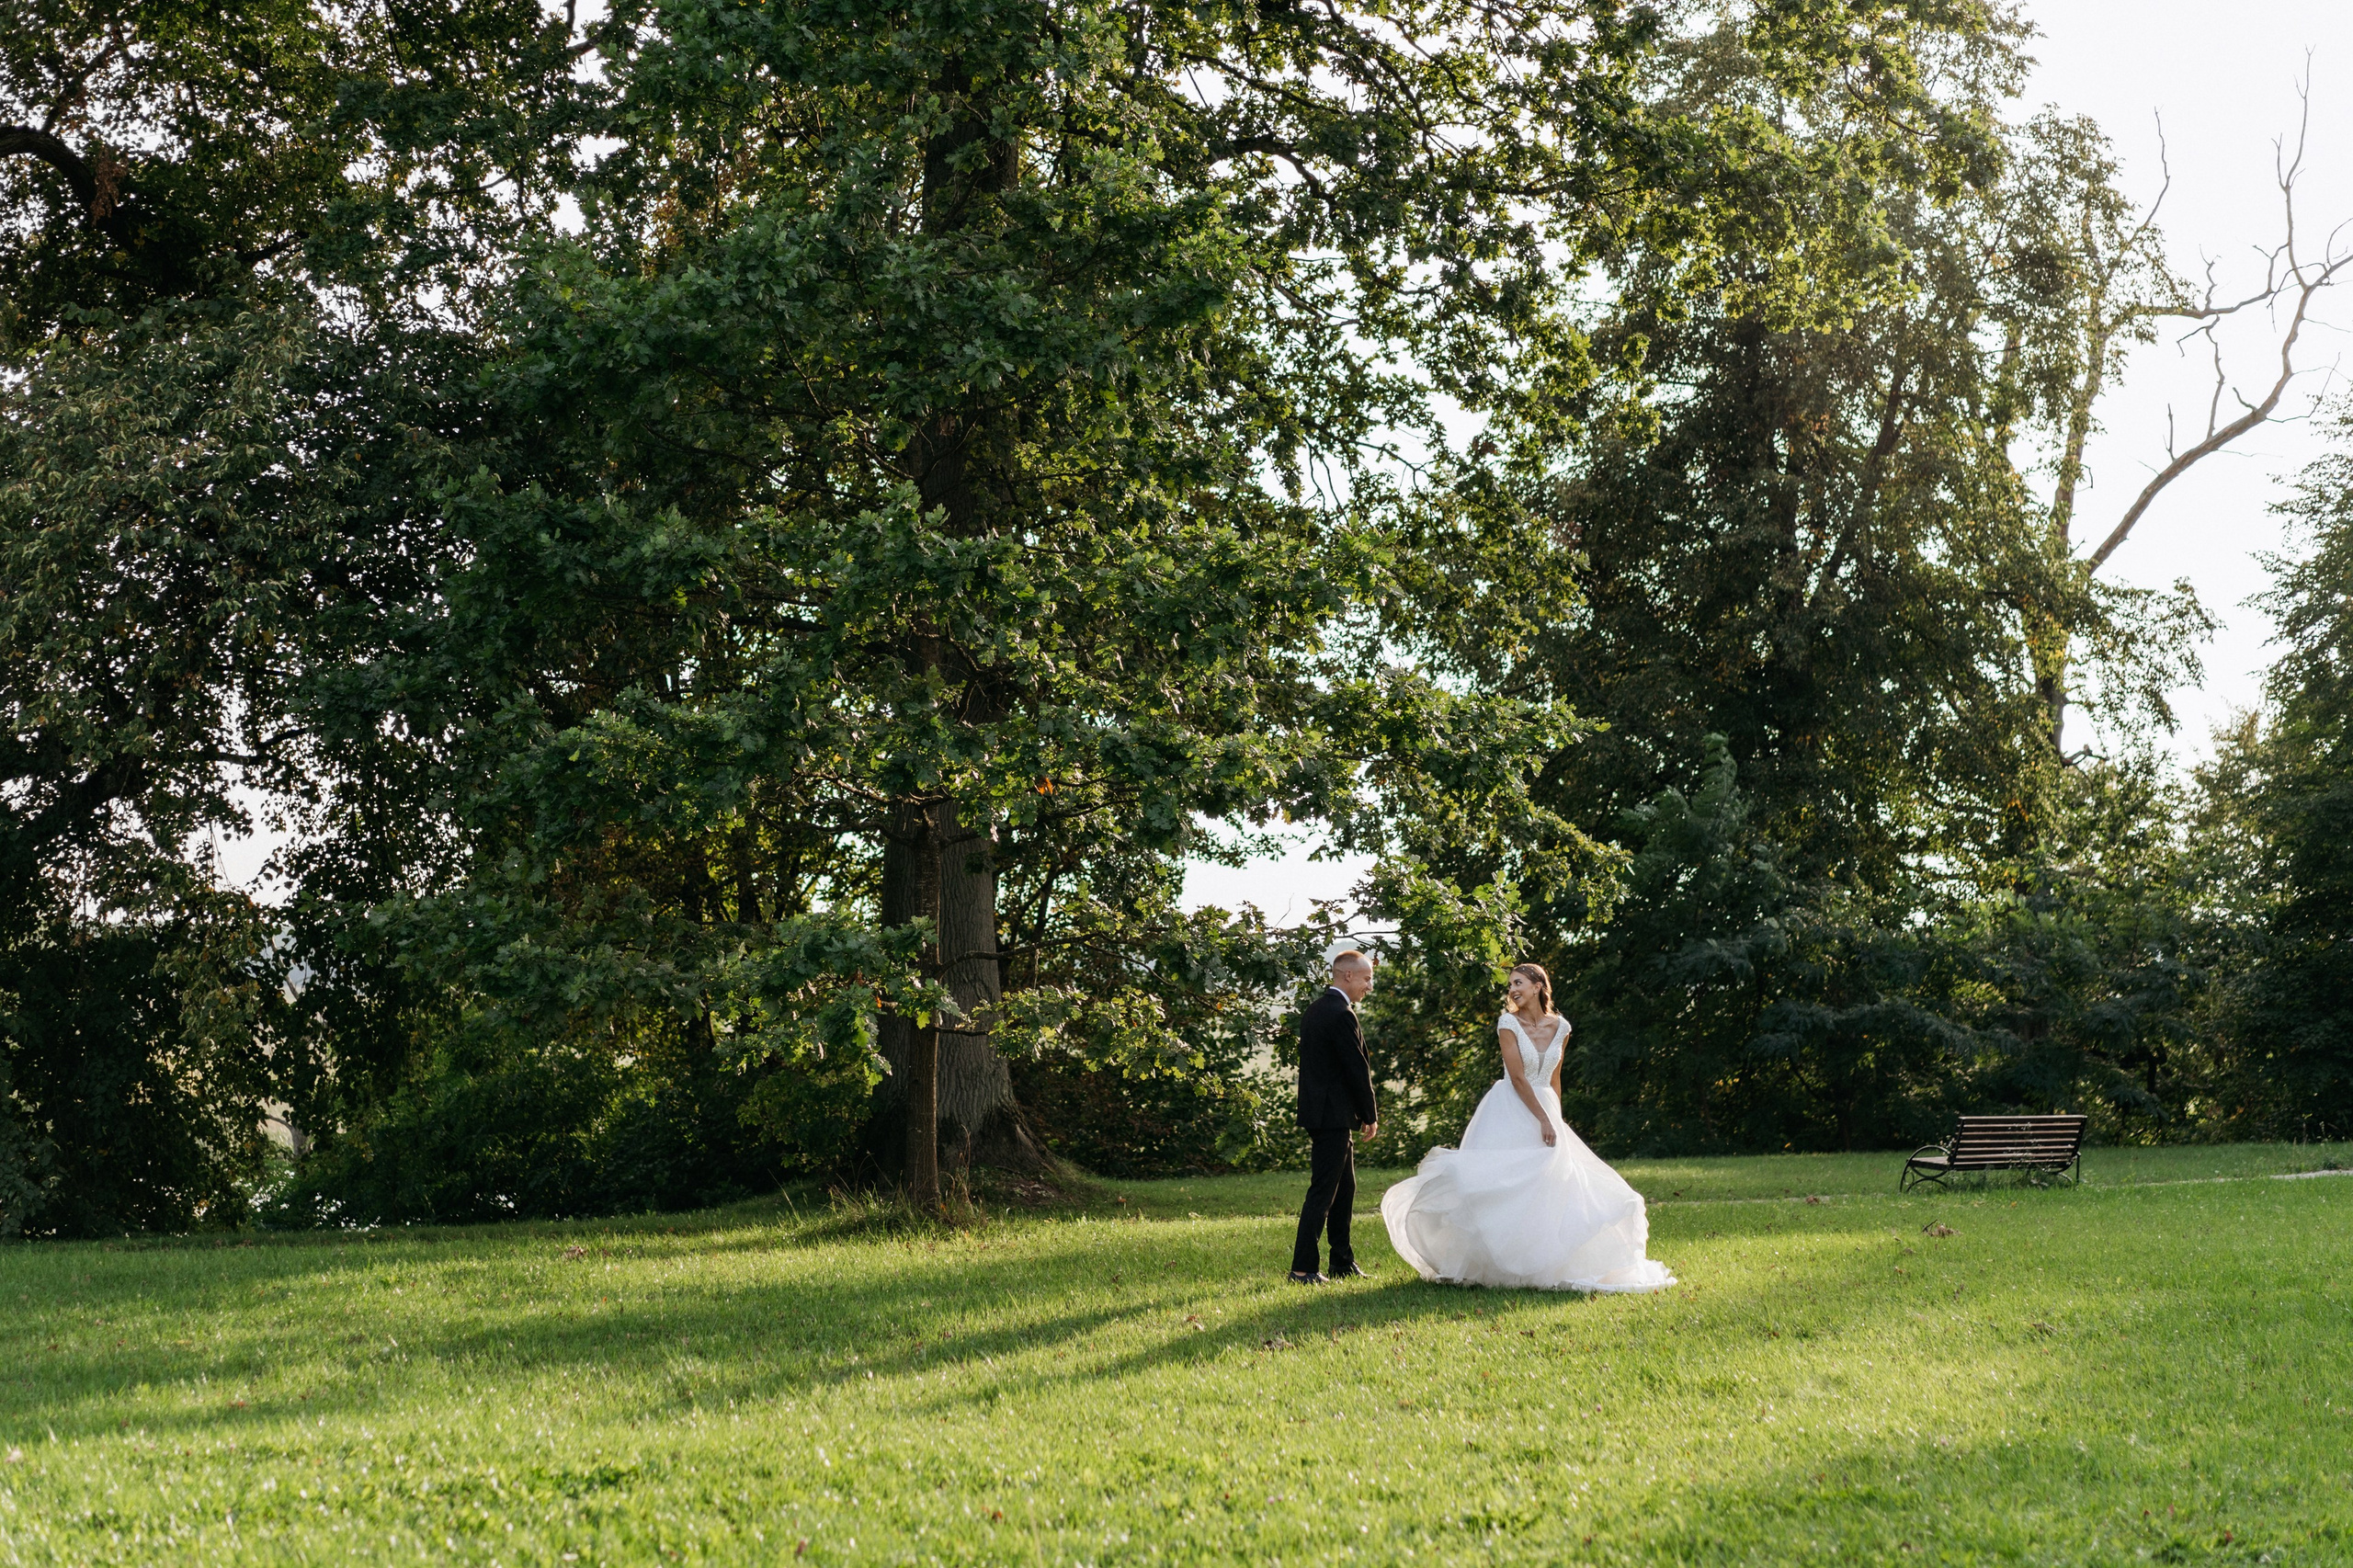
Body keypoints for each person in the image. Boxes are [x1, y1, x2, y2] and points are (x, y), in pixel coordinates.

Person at [1380, 961, 1674, 1292]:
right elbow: (1518, 1077)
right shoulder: (1508, 1023)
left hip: (1547, 1107)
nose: (1513, 990)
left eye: (1518, 983)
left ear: (1537, 986)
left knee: (1554, 1185)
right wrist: (1543, 1119)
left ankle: (1542, 1261)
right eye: (1510, 985)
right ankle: (1496, 1264)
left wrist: (1556, 1119)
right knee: (1502, 1185)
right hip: (1510, 1108)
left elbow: (1554, 1077)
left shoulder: (1561, 1027)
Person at [1289, 949, 1380, 1284]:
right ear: (1347, 976)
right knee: (1323, 1192)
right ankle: (1302, 1269)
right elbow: (1357, 1069)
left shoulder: (1316, 1009)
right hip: (1333, 1116)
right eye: (1367, 978)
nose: (1370, 985)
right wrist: (1369, 1113)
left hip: (1323, 1113)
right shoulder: (1342, 1013)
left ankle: (1341, 1262)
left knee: (1345, 1189)